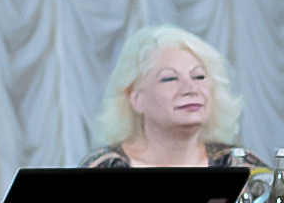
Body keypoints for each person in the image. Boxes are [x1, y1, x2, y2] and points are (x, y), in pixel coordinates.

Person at [82, 25, 264, 171]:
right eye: (169, 78)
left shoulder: (238, 166)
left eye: (199, 76)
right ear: (136, 99)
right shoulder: (103, 171)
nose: (190, 89)